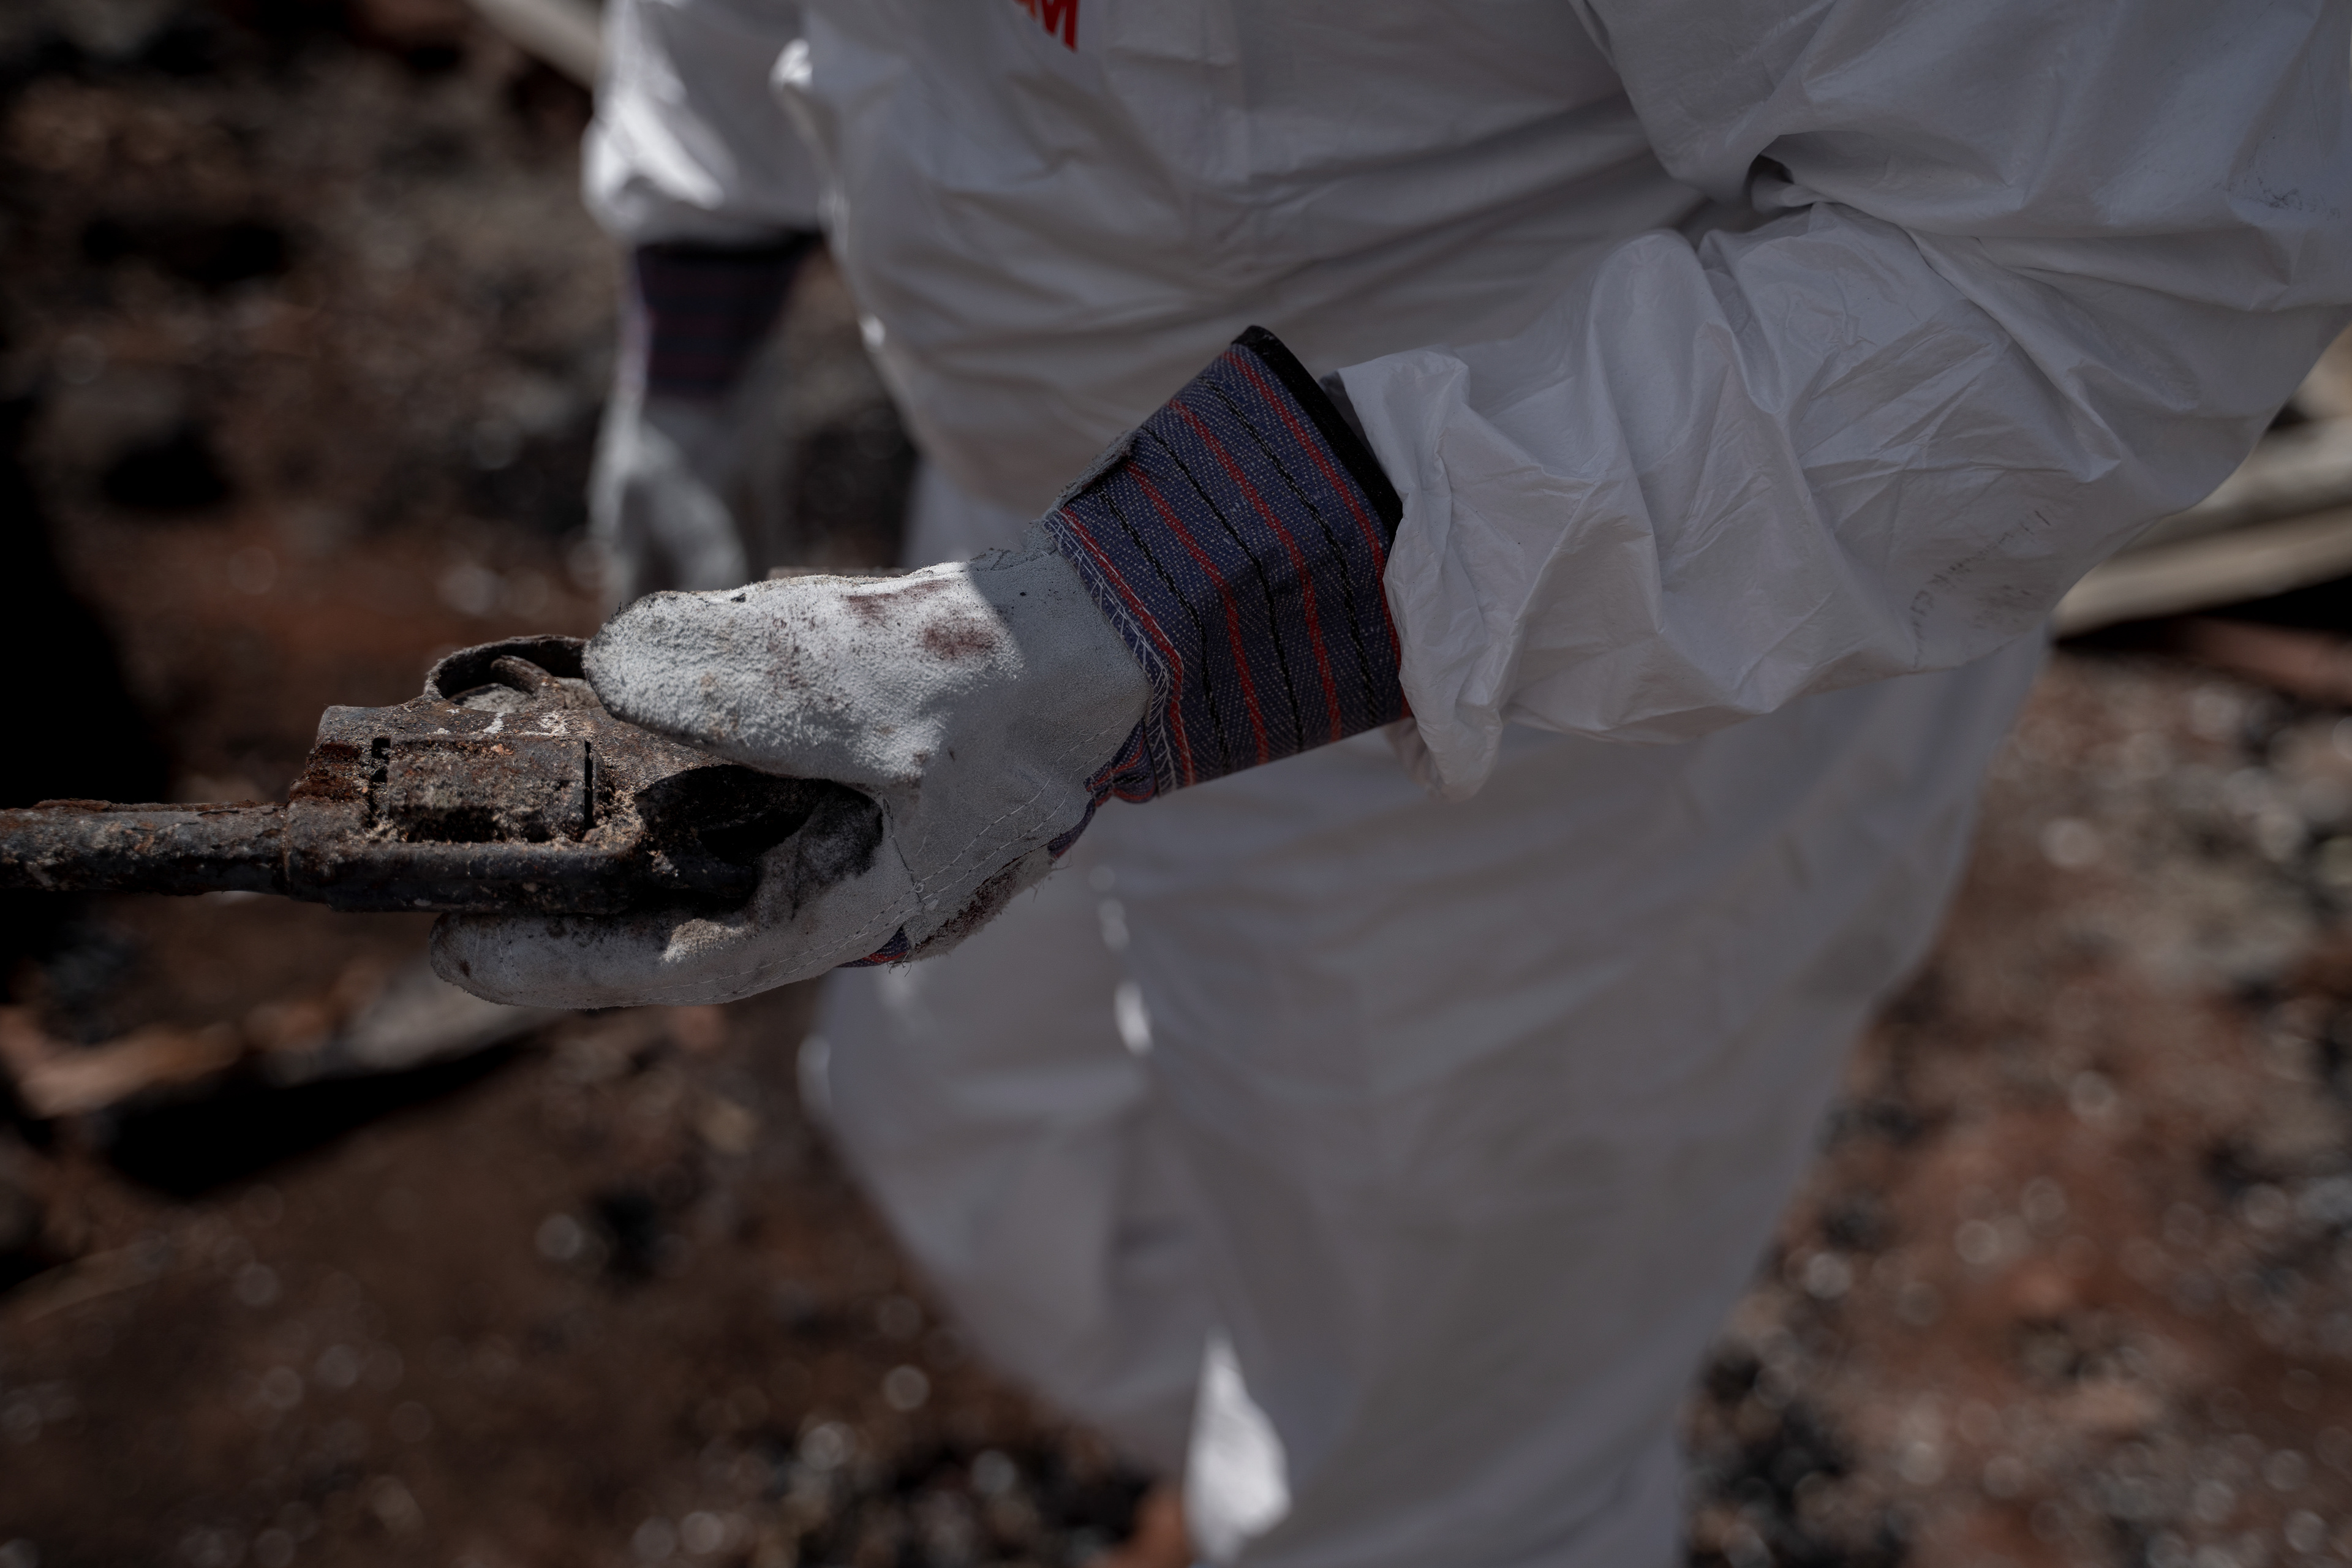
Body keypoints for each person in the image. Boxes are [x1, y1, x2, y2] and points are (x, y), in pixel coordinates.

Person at [437, 4, 2352, 1563]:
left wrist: (1185, 596)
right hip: (999, 551)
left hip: (1574, 662)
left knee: (1434, 1474)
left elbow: (2095, 257)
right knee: (962, 1114)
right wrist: (700, 294)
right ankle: (1238, 1444)